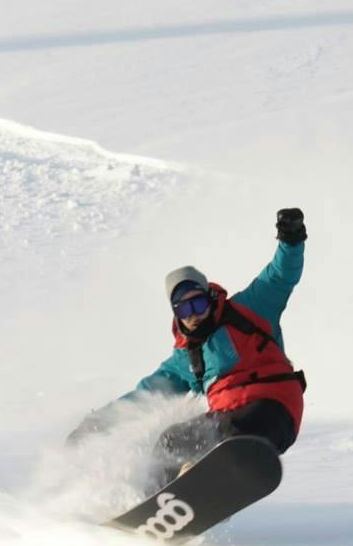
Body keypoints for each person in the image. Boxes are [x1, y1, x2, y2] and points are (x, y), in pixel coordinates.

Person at [70, 208, 308, 486]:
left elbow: (280, 277)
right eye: (185, 309)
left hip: (272, 407)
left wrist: (291, 238)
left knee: (225, 432)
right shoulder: (185, 359)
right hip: (229, 424)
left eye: (199, 304)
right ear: (176, 314)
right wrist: (97, 424)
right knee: (171, 442)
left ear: (210, 298)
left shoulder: (248, 310)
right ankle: (165, 504)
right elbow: (143, 398)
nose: (194, 314)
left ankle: (203, 471)